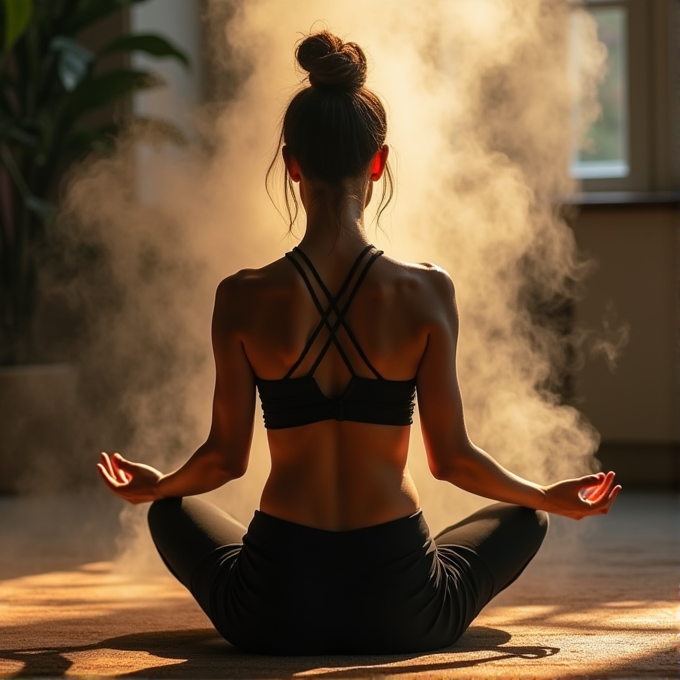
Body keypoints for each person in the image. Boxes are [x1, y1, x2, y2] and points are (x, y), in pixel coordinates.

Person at [97, 31, 620, 655]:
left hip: (273, 609)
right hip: (400, 609)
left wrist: (158, 485)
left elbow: (225, 460)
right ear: (378, 162)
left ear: (292, 165)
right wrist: (544, 495)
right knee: (524, 517)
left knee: (170, 510)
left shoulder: (240, 297)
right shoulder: (427, 292)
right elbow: (451, 460)